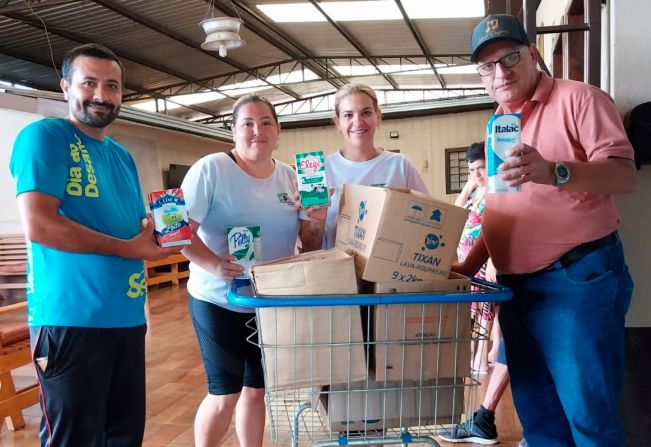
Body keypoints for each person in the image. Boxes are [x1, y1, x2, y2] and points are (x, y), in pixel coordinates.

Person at [456, 14, 636, 446]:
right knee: (539, 420)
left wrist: (553, 171)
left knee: (588, 419)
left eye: (510, 57)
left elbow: (624, 175)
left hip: (574, 279)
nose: (500, 73)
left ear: (533, 55)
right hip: (517, 290)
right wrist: (468, 265)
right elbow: (503, 207)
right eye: (487, 66)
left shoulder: (580, 99)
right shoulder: (501, 121)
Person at [9, 43, 174, 446]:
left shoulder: (120, 155)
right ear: (66, 86)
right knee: (74, 438)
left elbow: (131, 228)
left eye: (112, 86)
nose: (101, 95)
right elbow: (40, 225)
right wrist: (129, 248)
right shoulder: (44, 136)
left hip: (126, 317)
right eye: (89, 82)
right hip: (70, 318)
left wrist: (165, 229)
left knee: (123, 435)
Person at [180, 94, 324, 447]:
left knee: (257, 390)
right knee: (224, 394)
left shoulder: (293, 177)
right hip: (218, 299)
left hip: (268, 302)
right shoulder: (211, 169)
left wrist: (317, 218)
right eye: (247, 123)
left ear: (278, 131)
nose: (257, 131)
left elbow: (311, 244)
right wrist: (214, 264)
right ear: (233, 131)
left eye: (266, 123)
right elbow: (176, 234)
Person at [322, 83, 429, 249]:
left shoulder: (399, 165)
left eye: (366, 113)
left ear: (378, 116)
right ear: (337, 122)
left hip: (387, 270)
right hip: (338, 271)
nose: (357, 122)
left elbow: (428, 219)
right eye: (348, 115)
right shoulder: (324, 170)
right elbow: (309, 242)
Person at [454, 142, 499, 374]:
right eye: (471, 170)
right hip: (467, 254)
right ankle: (493, 352)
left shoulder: (496, 189)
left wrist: (492, 259)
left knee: (486, 306)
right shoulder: (477, 189)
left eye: (480, 168)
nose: (476, 174)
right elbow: (457, 210)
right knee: (483, 306)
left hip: (483, 255)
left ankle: (482, 356)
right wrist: (469, 185)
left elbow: (499, 227)